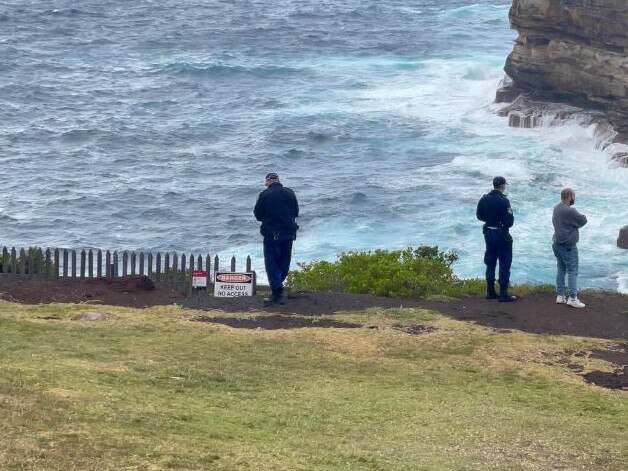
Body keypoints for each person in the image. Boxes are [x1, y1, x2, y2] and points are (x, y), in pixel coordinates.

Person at [254, 172, 299, 306]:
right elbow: (296, 212)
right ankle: (278, 285)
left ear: (268, 182)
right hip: (288, 234)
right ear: (278, 181)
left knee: (272, 262)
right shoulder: (290, 193)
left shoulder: (264, 195)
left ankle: (277, 293)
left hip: (272, 235)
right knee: (284, 262)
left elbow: (258, 215)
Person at [476, 176, 516, 302]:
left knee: (490, 261)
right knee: (505, 263)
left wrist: (490, 220)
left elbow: (479, 216)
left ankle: (490, 291)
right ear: (502, 186)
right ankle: (504, 293)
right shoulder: (503, 201)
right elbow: (509, 222)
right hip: (501, 234)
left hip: (488, 233)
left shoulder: (484, 199)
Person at [552, 188, 587, 308]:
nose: (575, 198)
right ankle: (572, 298)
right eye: (574, 196)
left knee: (561, 269)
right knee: (572, 271)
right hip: (568, 246)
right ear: (569, 196)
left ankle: (560, 296)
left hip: (557, 244)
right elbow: (583, 221)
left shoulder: (556, 208)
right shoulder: (570, 211)